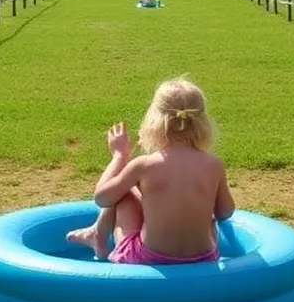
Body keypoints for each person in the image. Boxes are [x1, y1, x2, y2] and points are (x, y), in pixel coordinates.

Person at [66, 78, 234, 264]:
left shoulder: (143, 165)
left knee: (124, 193)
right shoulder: (213, 164)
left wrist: (119, 156)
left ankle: (98, 234)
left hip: (148, 259)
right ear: (202, 122)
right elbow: (225, 212)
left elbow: (102, 198)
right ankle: (95, 232)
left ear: (154, 119)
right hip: (203, 258)